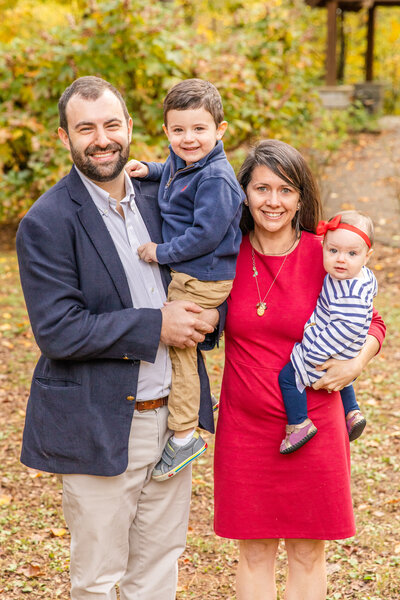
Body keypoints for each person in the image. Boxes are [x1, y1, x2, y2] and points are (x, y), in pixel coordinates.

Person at [16, 75, 223, 600]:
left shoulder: (165, 194)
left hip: (173, 416)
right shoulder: (46, 222)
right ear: (64, 137)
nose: (101, 138)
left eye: (111, 124)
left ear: (130, 128)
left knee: (158, 567)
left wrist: (207, 318)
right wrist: (158, 325)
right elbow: (59, 331)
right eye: (85, 128)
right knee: (98, 578)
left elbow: (210, 259)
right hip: (101, 422)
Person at [213, 140, 386, 600]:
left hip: (314, 424)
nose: (274, 201)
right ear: (244, 193)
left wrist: (356, 362)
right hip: (244, 426)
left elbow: (374, 320)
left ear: (301, 197)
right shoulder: (224, 255)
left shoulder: (326, 253)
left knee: (309, 552)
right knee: (253, 552)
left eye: (286, 190)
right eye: (262, 188)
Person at [125, 78, 243, 481]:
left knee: (179, 348)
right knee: (176, 343)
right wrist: (151, 169)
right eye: (178, 130)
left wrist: (160, 251)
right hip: (194, 270)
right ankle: (180, 425)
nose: (188, 139)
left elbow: (203, 236)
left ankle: (183, 435)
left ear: (220, 130)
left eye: (199, 129)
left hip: (202, 274)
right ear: (166, 131)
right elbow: (174, 171)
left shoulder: (217, 179)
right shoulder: (188, 160)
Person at [279, 210, 377, 454]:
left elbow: (347, 327)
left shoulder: (349, 290)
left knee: (289, 378)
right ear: (323, 247)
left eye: (352, 253)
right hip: (345, 348)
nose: (341, 259)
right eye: (333, 251)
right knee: (342, 379)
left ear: (367, 256)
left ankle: (299, 423)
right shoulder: (361, 276)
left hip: (328, 346)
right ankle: (352, 411)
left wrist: (313, 351)